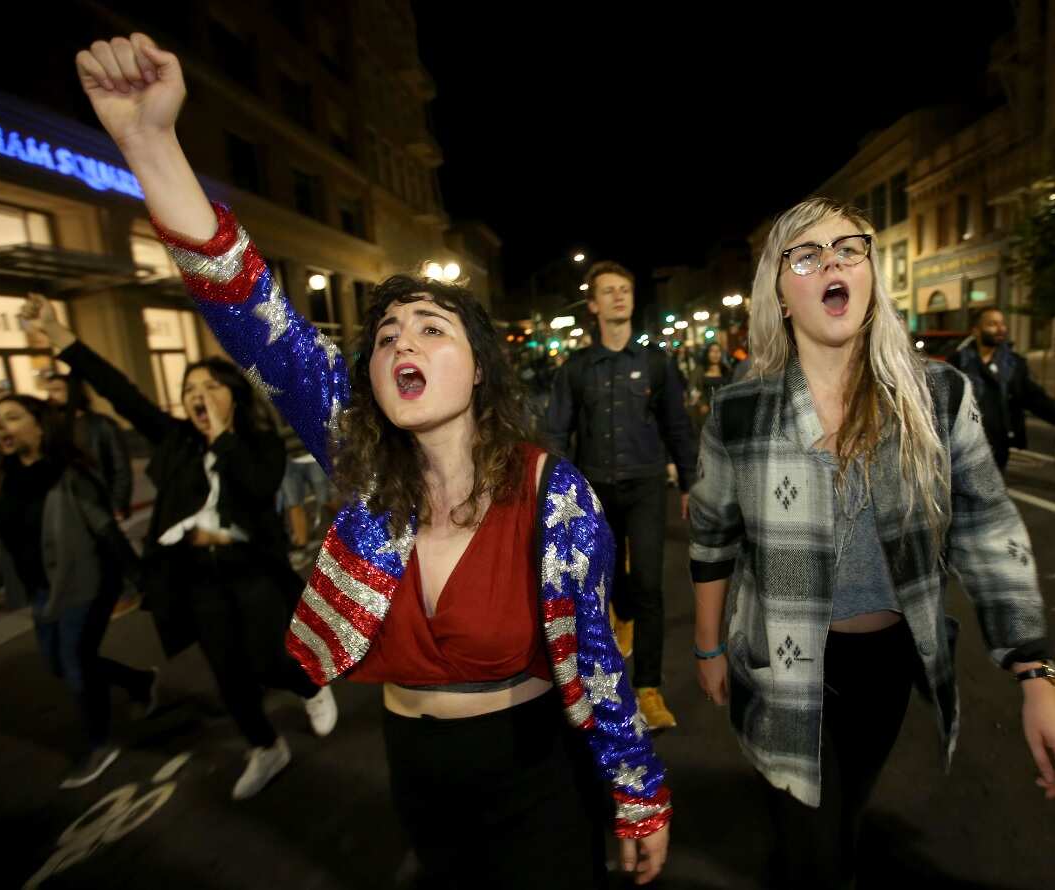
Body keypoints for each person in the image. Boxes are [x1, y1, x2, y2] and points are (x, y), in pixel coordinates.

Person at [71, 33, 670, 886]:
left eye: (431, 329)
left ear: (481, 365)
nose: (402, 343)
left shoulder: (550, 492)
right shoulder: (360, 465)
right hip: (414, 768)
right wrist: (148, 143)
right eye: (387, 335)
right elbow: (258, 319)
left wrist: (639, 792)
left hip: (534, 769)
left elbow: (601, 665)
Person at [689, 198, 1055, 888]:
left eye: (849, 249)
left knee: (847, 815)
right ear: (781, 296)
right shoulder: (740, 412)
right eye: (807, 255)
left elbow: (991, 532)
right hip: (780, 664)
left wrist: (1036, 676)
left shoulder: (936, 397)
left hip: (885, 662)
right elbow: (711, 531)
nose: (833, 263)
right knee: (810, 849)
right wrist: (708, 646)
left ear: (871, 275)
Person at [23, 297, 338, 802]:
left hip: (252, 572)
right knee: (228, 673)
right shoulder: (175, 441)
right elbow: (120, 392)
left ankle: (310, 687)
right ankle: (265, 747)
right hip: (198, 577)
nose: (199, 395)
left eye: (210, 386)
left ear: (234, 395)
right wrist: (60, 337)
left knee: (269, 658)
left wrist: (222, 440)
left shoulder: (261, 443)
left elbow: (258, 488)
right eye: (190, 389)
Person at [546, 259, 698, 731]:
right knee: (601, 583)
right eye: (607, 291)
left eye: (624, 290)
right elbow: (557, 432)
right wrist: (553, 493)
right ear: (592, 305)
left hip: (648, 484)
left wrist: (691, 482)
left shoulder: (656, 362)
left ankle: (649, 688)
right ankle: (621, 616)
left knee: (650, 582)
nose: (618, 296)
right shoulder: (576, 369)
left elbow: (677, 424)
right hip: (594, 490)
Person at [0, 394, 157, 788]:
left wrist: (139, 578)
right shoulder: (4, 475)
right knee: (60, 663)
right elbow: (4, 537)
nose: (1, 428)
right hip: (43, 588)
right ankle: (140, 682)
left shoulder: (70, 474)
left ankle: (100, 744)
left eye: (12, 418)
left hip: (88, 581)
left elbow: (105, 530)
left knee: (75, 658)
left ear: (40, 426)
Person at [949, 307, 1055, 471]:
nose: (1000, 328)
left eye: (1002, 324)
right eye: (992, 324)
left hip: (999, 442)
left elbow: (1031, 394)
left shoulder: (1013, 363)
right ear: (976, 331)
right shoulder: (958, 362)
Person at [45, 372, 133, 519]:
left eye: (57, 390)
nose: (51, 396)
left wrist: (118, 504)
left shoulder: (102, 425)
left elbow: (121, 468)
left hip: (98, 500)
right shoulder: (51, 428)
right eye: (49, 391)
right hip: (66, 504)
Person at [696, 342, 733, 414]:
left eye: (718, 351)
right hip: (707, 412)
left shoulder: (726, 370)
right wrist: (701, 404)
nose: (715, 354)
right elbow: (693, 390)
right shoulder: (700, 370)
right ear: (707, 353)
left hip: (724, 410)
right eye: (712, 351)